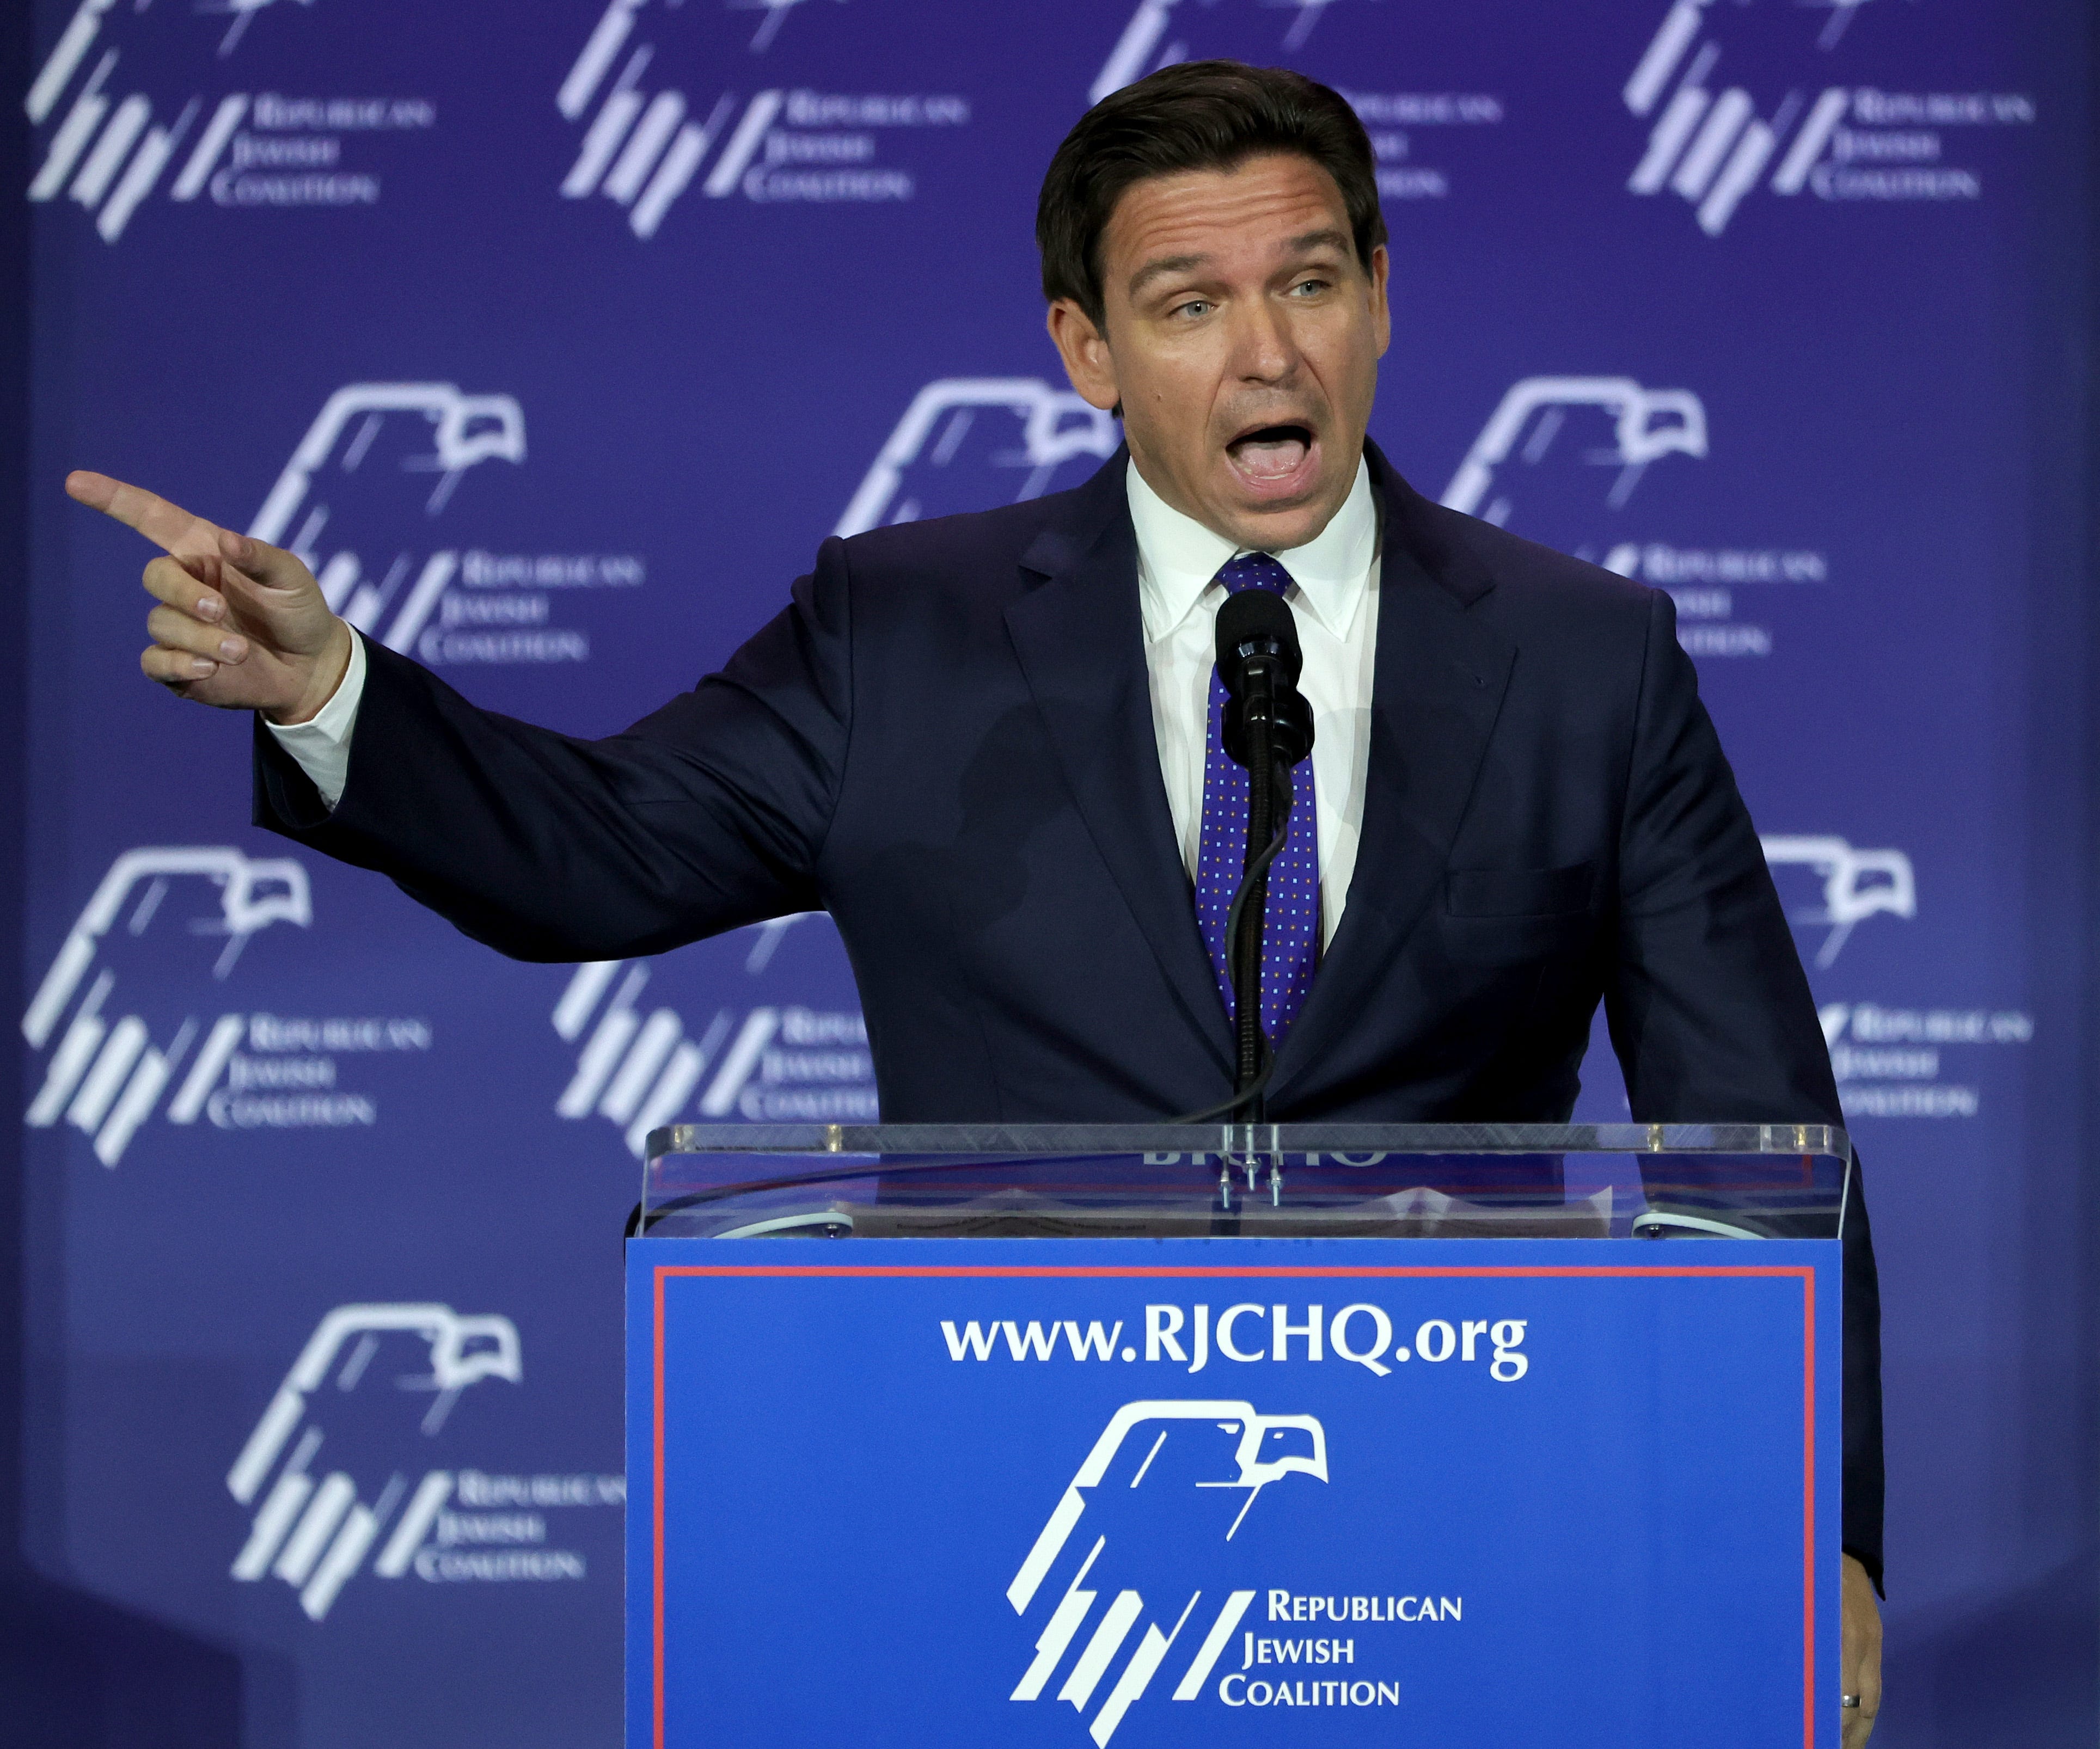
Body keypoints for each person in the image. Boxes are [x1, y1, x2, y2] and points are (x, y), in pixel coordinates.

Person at [68, 60, 1882, 1738]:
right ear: (1086, 351)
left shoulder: (1588, 657)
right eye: (1190, 307)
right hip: (1004, 1520)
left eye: (1310, 284)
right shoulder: (908, 631)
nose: (1269, 356)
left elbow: (1756, 1131)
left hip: (1459, 1535)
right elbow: (593, 852)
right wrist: (329, 696)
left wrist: (1825, 1529)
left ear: (1381, 297)